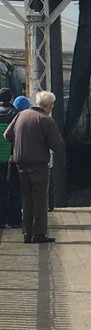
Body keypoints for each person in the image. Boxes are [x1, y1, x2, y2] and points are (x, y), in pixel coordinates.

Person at [4, 91, 64, 243]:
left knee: (26, 198)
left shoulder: (21, 115)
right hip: (38, 164)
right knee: (39, 199)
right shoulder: (46, 120)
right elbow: (57, 145)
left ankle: (27, 233)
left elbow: (7, 135)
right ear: (49, 106)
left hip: (20, 163)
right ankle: (39, 234)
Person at [0, 89, 20, 228]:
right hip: (11, 158)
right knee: (14, 190)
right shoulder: (16, 114)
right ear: (11, 99)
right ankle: (14, 220)